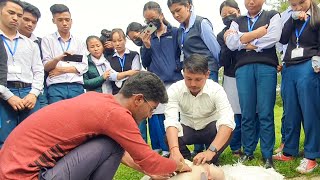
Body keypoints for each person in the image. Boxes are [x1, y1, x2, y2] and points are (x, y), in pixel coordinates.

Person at [0, 71, 192, 180]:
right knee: (113, 144)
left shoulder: (98, 98)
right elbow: (149, 160)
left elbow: (133, 159)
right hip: (25, 176)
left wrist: (149, 170)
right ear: (138, 99)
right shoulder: (117, 115)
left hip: (10, 169)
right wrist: (178, 165)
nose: (150, 115)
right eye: (152, 108)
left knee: (111, 143)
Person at [224, 0, 282, 169]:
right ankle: (248, 152)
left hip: (266, 67)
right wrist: (256, 34)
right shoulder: (237, 20)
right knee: (247, 113)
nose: (251, 1)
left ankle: (267, 155)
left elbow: (273, 37)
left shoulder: (272, 15)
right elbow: (231, 43)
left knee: (265, 113)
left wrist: (247, 44)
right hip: (243, 69)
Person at [167, 0, 221, 155]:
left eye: (179, 10)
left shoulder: (201, 23)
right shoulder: (180, 30)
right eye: (172, 13)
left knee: (208, 109)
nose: (176, 15)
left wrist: (212, 70)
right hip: (190, 73)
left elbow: (215, 49)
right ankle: (198, 149)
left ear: (188, 6)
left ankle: (212, 149)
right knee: (193, 108)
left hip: (206, 71)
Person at [272, 0, 320, 174]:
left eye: (300, 3)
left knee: (309, 110)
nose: (297, 7)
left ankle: (311, 155)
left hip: (309, 64)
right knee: (290, 110)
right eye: (293, 4)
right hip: (289, 66)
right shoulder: (290, 17)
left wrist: (318, 57)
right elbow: (283, 39)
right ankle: (289, 151)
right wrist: (292, 18)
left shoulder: (317, 15)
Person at [164, 54, 235, 167]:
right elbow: (171, 121)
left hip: (210, 129)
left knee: (227, 130)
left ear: (207, 74)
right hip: (187, 128)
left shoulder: (216, 90)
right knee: (170, 134)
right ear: (183, 73)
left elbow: (227, 121)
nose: (193, 84)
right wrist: (174, 151)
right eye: (189, 79)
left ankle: (210, 158)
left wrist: (210, 151)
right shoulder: (175, 89)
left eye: (198, 79)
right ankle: (184, 158)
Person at [217, 0, 260, 158]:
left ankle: (251, 145)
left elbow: (258, 45)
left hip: (251, 73)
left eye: (231, 13)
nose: (228, 17)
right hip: (231, 77)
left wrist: (240, 40)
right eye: (224, 16)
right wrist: (230, 41)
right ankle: (235, 147)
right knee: (236, 114)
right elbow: (222, 59)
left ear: (238, 11)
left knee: (253, 112)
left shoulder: (248, 26)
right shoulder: (221, 35)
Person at [141, 1, 183, 156]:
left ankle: (174, 147)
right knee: (156, 115)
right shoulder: (147, 37)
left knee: (172, 114)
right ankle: (160, 148)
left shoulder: (175, 32)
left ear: (161, 15)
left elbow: (181, 52)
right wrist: (146, 45)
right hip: (156, 82)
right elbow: (145, 63)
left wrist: (176, 66)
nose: (151, 22)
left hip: (174, 80)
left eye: (153, 18)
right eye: (147, 20)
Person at [0, 0, 44, 147]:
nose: (15, 18)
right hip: (4, 93)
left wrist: (34, 93)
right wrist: (9, 96)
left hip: (28, 93)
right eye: (11, 13)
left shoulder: (30, 44)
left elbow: (38, 71)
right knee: (5, 141)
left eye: (19, 15)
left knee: (32, 140)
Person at [41, 4, 88, 104]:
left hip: (76, 86)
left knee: (77, 117)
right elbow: (46, 66)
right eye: (60, 20)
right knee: (57, 118)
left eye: (67, 19)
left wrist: (61, 70)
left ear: (72, 21)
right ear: (54, 21)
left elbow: (84, 66)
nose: (64, 23)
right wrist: (58, 59)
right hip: (56, 86)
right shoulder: (47, 40)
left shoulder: (79, 42)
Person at [18, 1, 48, 108]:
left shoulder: (40, 42)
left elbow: (41, 69)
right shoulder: (5, 41)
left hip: (38, 91)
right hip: (12, 90)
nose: (30, 24)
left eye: (34, 22)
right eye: (26, 19)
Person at [108, 28, 141, 94]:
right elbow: (111, 76)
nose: (117, 44)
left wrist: (118, 76)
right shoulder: (109, 58)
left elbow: (136, 73)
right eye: (114, 41)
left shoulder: (134, 55)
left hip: (132, 91)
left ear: (125, 40)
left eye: (120, 40)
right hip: (116, 93)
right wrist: (128, 73)